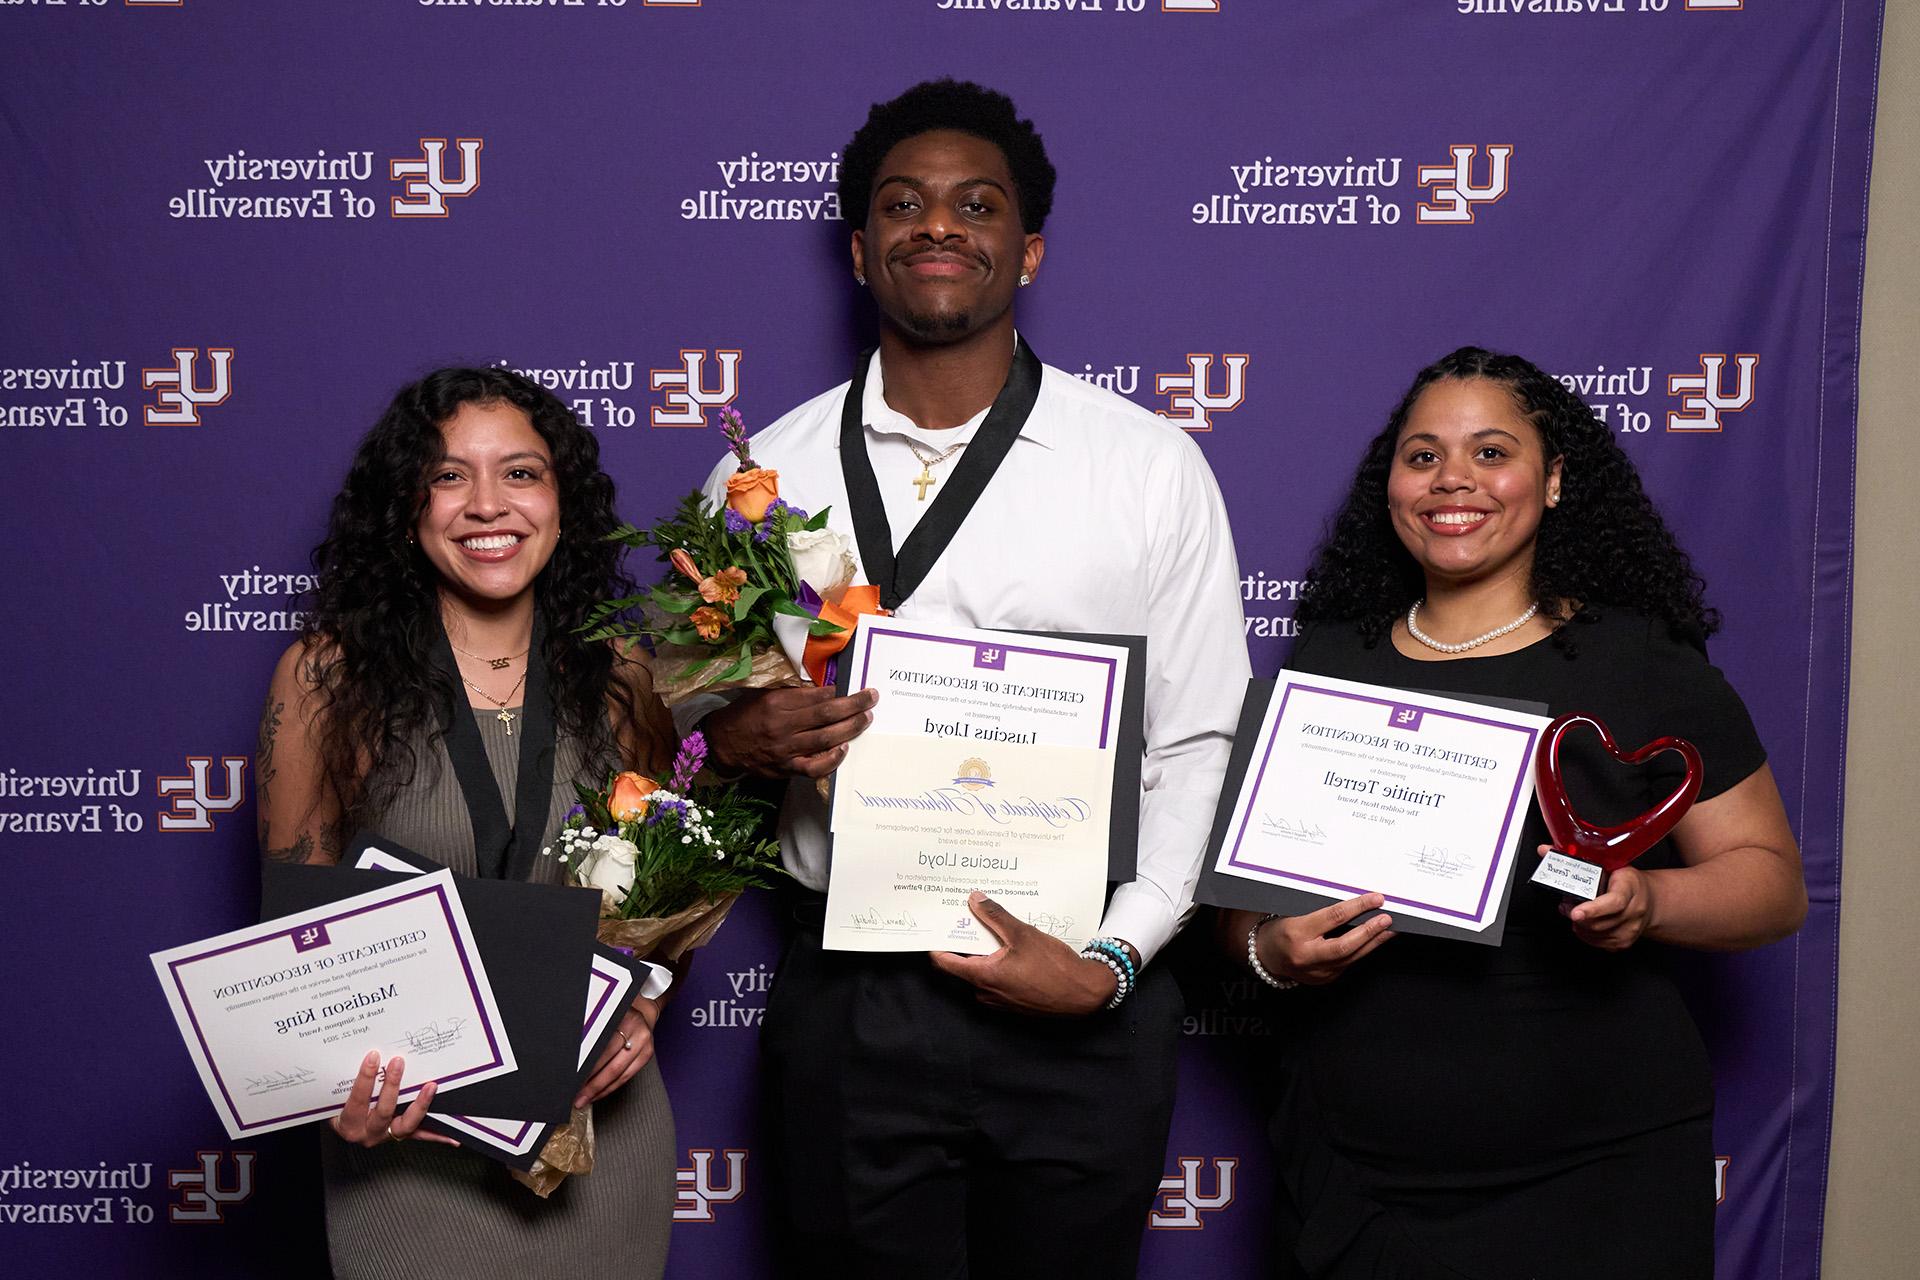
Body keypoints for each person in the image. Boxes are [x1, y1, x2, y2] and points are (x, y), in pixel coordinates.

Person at [681, 80, 1250, 1277]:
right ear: (857, 248)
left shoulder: (1146, 467)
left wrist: (1116, 959)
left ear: (1027, 248)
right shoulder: (757, 478)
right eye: (903, 204)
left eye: (975, 204)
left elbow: (1201, 745)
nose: (938, 225)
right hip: (848, 993)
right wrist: (732, 737)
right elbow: (675, 747)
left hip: (1074, 978)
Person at [1222, 347, 1807, 1280]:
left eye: (1492, 452)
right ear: (1392, 487)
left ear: (1556, 478)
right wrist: (1270, 953)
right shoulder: (1328, 664)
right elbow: (1247, 910)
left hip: (1597, 1174)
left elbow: (1772, 886)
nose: (1454, 480)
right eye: (1423, 457)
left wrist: (1650, 905)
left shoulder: (1641, 664)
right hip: (1355, 1173)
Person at [255, 367, 679, 1280]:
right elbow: (297, 932)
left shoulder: (625, 671)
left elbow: (668, 885)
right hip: (412, 1141)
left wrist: (645, 1001)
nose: (488, 505)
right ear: (406, 506)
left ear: (563, 500)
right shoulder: (329, 677)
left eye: (521, 473)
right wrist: (336, 1084)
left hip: (600, 1123)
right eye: (449, 476)